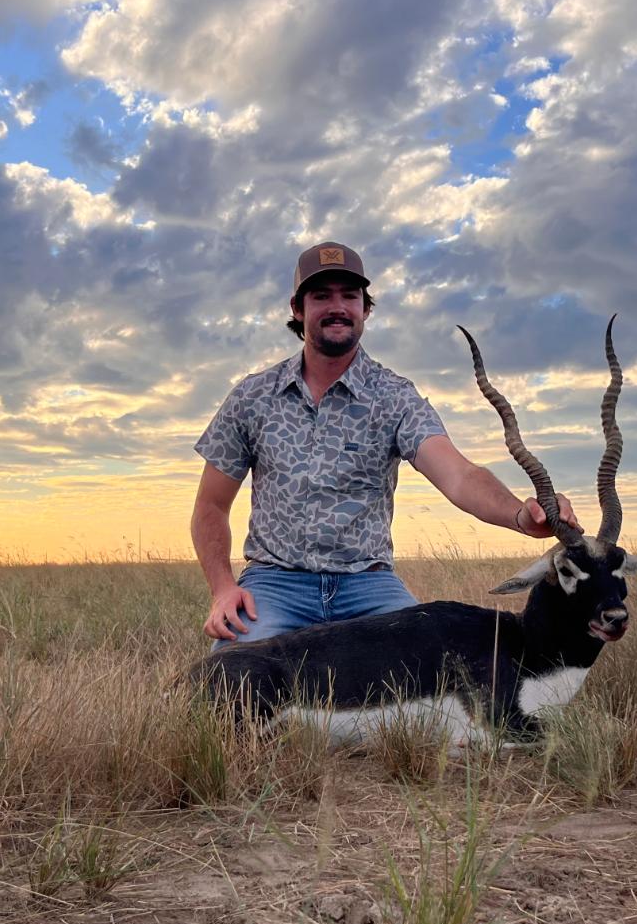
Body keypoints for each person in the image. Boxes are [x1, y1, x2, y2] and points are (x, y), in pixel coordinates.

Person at [191, 241, 578, 645]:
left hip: (368, 585)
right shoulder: (253, 396)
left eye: (350, 296)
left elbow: (459, 476)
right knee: (235, 671)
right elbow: (211, 506)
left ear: (366, 309)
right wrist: (223, 588)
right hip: (275, 584)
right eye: (321, 296)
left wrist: (521, 514)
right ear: (298, 309)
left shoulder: (395, 396)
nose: (337, 307)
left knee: (431, 664)